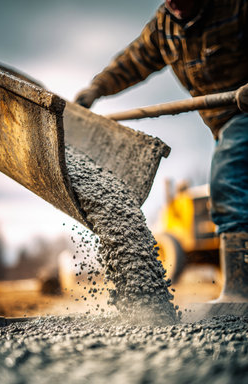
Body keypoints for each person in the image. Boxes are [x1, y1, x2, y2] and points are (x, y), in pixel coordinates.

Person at [75, 0, 248, 303]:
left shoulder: (234, 6)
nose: (176, 5)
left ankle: (239, 290)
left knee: (227, 184)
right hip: (221, 124)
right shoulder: (164, 27)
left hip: (242, 112)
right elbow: (133, 61)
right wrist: (96, 89)